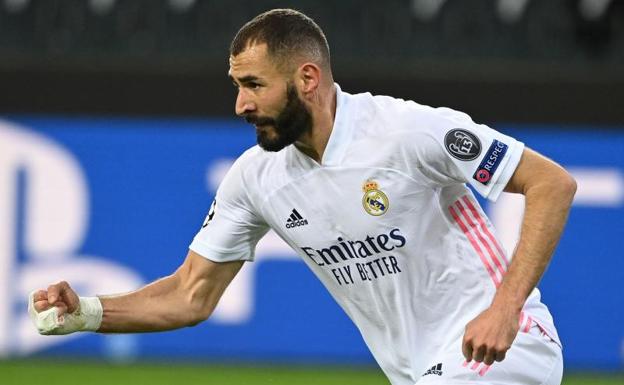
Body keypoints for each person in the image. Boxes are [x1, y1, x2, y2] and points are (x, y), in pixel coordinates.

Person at [29, 9, 576, 385]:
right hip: (420, 370)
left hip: (502, 348)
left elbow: (552, 183)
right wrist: (89, 313)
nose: (241, 105)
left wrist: (505, 310)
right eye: (236, 85)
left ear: (307, 78)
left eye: (254, 85)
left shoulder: (407, 131)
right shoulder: (256, 178)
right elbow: (190, 294)